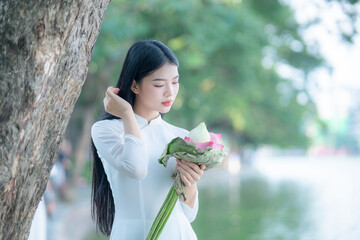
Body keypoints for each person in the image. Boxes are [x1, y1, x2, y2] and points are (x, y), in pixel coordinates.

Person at [91, 40, 206, 240]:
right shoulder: (106, 130)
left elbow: (188, 215)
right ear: (134, 85)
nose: (170, 92)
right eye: (159, 84)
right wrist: (127, 114)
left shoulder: (180, 136)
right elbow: (137, 168)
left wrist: (190, 183)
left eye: (175, 81)